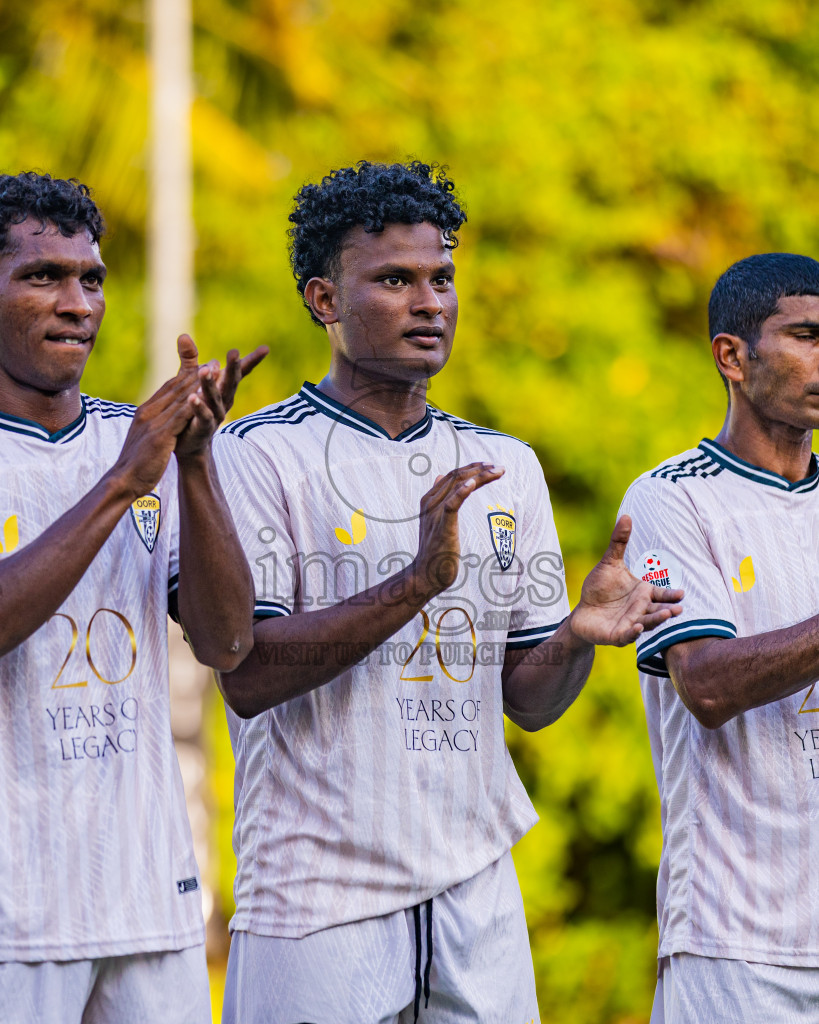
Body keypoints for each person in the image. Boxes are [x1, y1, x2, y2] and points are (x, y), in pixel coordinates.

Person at [213, 160, 682, 1024]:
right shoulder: (253, 452)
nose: (429, 303)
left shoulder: (508, 467)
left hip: (478, 895)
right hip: (317, 899)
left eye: (441, 279)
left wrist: (575, 636)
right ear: (324, 300)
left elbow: (528, 705)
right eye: (393, 279)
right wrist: (417, 582)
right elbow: (247, 674)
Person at [0, 171, 265, 1024]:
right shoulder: (128, 461)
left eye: (92, 278)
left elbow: (227, 644)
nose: (77, 301)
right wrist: (125, 479)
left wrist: (193, 464)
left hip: (151, 902)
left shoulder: (141, 445)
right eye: (43, 276)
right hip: (14, 920)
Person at [618, 252, 819, 1023]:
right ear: (731, 356)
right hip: (736, 944)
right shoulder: (668, 501)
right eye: (805, 335)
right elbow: (704, 683)